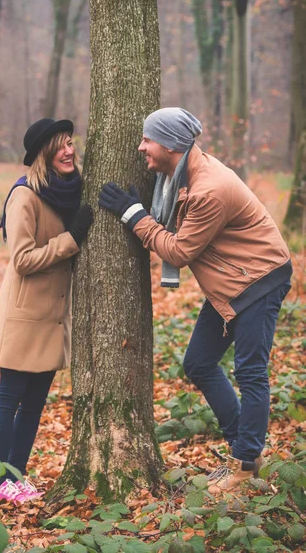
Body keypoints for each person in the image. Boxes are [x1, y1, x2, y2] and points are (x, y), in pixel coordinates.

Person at [99, 107, 292, 494]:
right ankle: (246, 453)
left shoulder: (209, 189)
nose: (140, 147)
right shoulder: (184, 173)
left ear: (170, 144)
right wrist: (145, 212)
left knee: (250, 372)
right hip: (232, 282)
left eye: (147, 139)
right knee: (199, 363)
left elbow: (177, 252)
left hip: (259, 280)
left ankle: (243, 467)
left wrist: (134, 214)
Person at [0, 118, 93, 504]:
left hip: (52, 317)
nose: (69, 150)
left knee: (34, 404)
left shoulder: (67, 192)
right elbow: (23, 259)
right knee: (10, 398)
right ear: (43, 154)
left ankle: (16, 476)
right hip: (24, 316)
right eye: (60, 145)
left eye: (71, 143)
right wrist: (72, 238)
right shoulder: (25, 196)